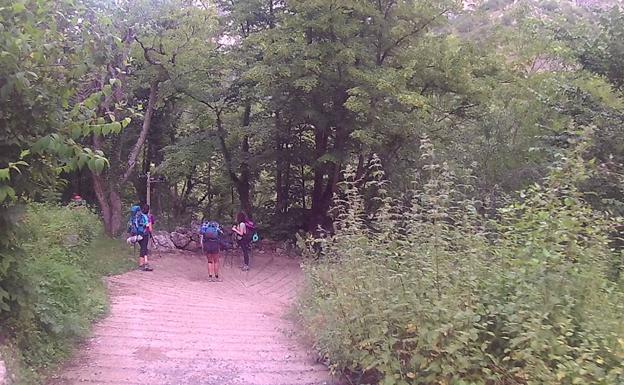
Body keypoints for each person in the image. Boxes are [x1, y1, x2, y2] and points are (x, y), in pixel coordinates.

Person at [136, 203, 153, 272]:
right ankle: (141, 265)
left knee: (144, 248)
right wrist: (150, 233)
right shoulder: (148, 217)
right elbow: (150, 229)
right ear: (148, 210)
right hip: (144, 234)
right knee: (143, 249)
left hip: (138, 234)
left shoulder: (138, 215)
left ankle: (146, 263)